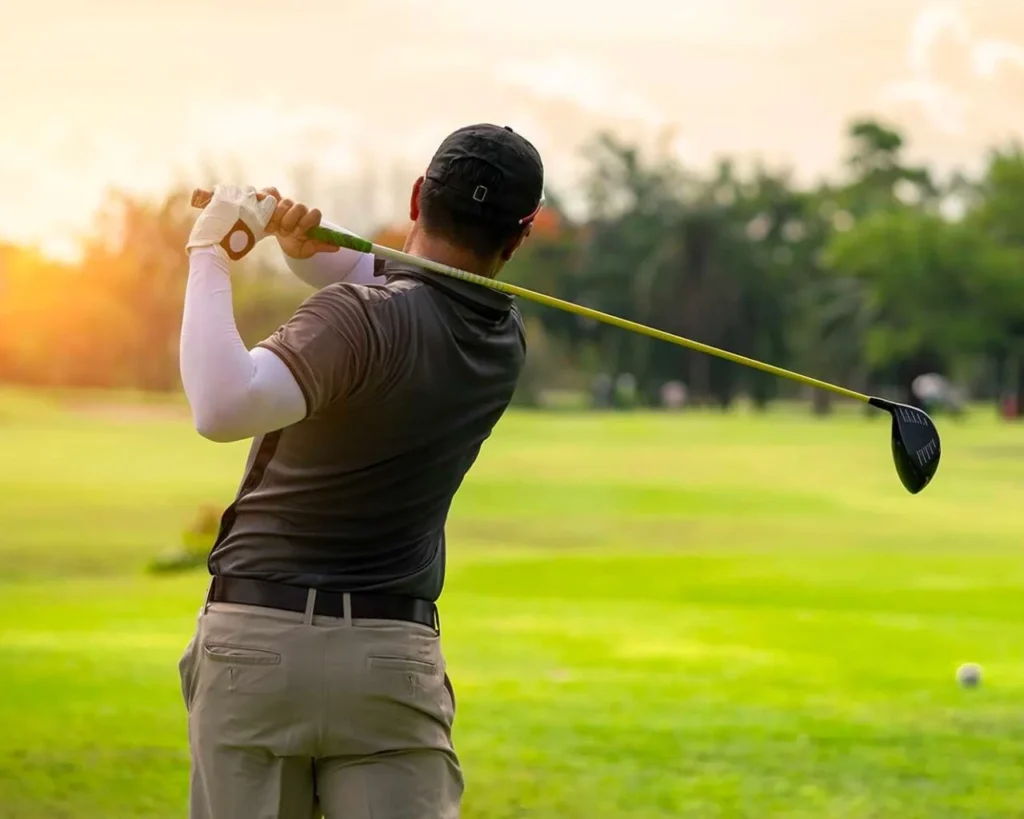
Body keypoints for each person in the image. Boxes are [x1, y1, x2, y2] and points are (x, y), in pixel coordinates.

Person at [177, 124, 544, 819]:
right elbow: (405, 295)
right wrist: (307, 252)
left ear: (417, 196)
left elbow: (222, 406)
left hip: (259, 646)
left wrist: (210, 252)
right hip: (392, 662)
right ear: (519, 236)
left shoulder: (353, 317)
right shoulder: (504, 339)